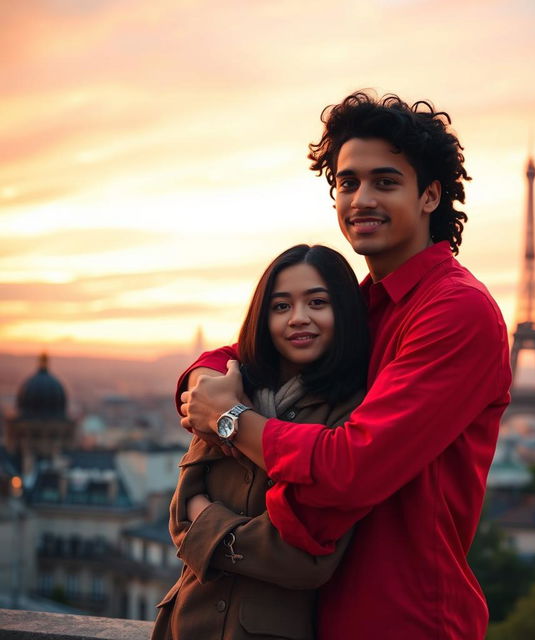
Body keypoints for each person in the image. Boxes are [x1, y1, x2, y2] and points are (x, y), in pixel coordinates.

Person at [178, 92, 512, 640]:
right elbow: (248, 352)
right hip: (321, 615)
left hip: (406, 619)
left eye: (385, 181)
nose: (361, 199)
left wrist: (230, 419)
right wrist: (199, 382)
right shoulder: (365, 306)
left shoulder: (457, 311)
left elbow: (349, 468)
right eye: (347, 182)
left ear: (430, 196)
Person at [152, 244, 368, 640]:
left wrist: (209, 526)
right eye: (281, 306)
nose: (298, 319)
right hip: (185, 625)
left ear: (345, 312)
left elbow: (305, 562)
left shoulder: (352, 412)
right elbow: (182, 512)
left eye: (317, 302)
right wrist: (244, 539)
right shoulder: (230, 392)